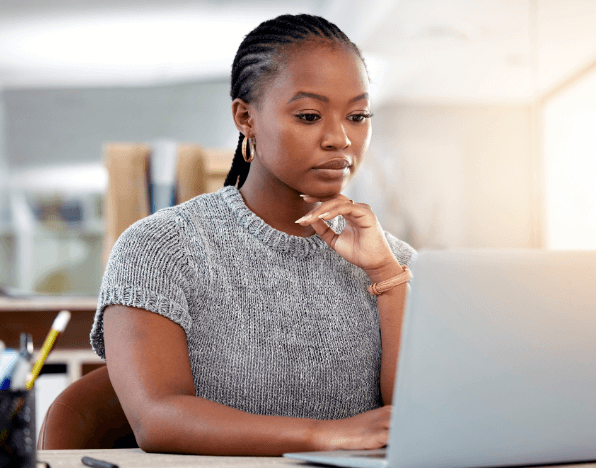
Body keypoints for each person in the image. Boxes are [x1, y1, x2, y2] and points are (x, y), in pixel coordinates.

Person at [90, 13, 416, 456]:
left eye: (357, 115)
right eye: (308, 115)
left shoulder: (397, 261)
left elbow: (419, 419)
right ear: (246, 118)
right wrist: (324, 436)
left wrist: (387, 275)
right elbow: (157, 418)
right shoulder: (161, 247)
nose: (341, 138)